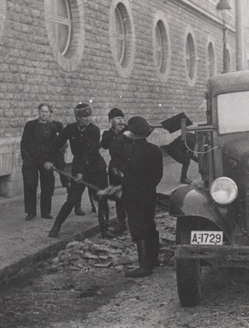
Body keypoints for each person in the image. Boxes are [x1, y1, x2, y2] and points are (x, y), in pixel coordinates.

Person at [44, 103, 114, 239]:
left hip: (96, 168)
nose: (88, 119)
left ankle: (105, 229)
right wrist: (48, 160)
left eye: (89, 116)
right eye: (84, 116)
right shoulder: (70, 129)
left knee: (102, 199)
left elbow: (89, 153)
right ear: (78, 118)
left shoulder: (94, 130)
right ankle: (56, 226)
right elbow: (56, 144)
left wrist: (81, 172)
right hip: (79, 167)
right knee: (72, 199)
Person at [109, 116, 163, 277]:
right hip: (149, 192)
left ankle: (144, 266)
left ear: (131, 132)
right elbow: (158, 175)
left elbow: (112, 148)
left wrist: (124, 135)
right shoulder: (155, 150)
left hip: (133, 194)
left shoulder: (127, 150)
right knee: (149, 223)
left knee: (137, 226)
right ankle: (153, 259)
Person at [20, 103, 62, 220]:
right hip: (31, 160)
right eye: (42, 111)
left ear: (49, 113)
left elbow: (55, 146)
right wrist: (26, 158)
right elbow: (24, 143)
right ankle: (31, 212)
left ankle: (45, 212)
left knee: (47, 186)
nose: (44, 114)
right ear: (38, 112)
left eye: (46, 112)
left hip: (46, 161)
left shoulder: (52, 127)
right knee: (30, 185)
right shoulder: (30, 125)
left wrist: (51, 161)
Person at [100, 107, 129, 233]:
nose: (121, 121)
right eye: (118, 119)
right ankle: (122, 223)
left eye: (122, 118)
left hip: (128, 166)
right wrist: (117, 134)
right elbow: (105, 145)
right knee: (118, 197)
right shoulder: (108, 134)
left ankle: (132, 221)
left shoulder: (128, 132)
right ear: (111, 121)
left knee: (130, 194)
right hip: (115, 167)